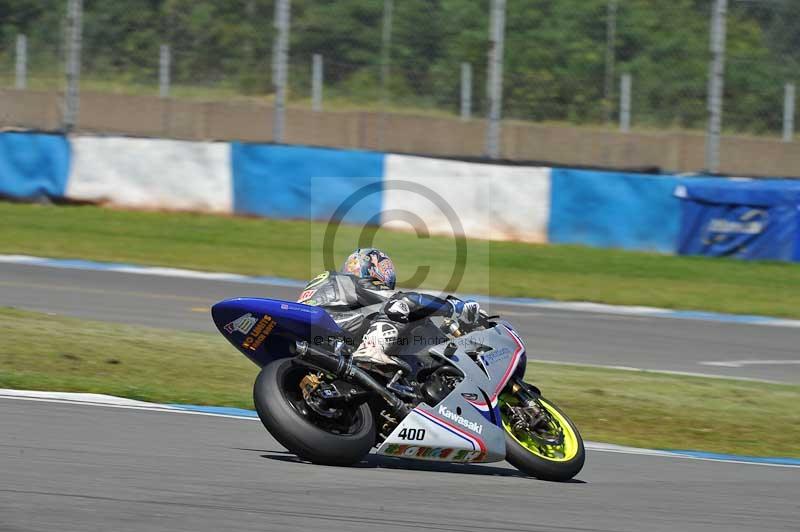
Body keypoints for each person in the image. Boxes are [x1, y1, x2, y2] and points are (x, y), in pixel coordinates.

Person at [297, 248, 480, 372]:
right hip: (331, 327)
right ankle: (371, 349)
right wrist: (454, 307)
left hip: (318, 333)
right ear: (371, 266)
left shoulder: (337, 286)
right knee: (401, 303)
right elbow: (410, 300)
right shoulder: (353, 282)